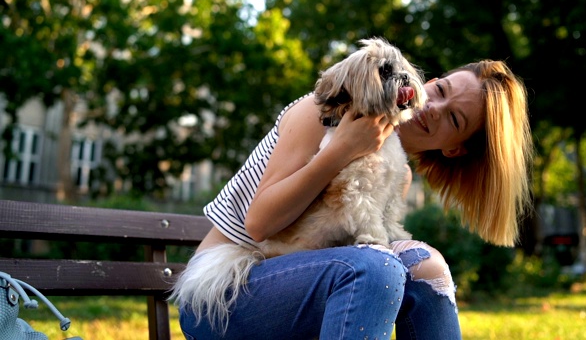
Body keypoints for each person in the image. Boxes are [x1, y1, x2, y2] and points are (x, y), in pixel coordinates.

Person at [172, 57, 533, 340]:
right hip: (222, 297)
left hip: (286, 298)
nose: (434, 107)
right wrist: (342, 150)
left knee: (427, 267)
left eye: (453, 118)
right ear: (433, 82)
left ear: (454, 149)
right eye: (441, 90)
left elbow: (341, 276)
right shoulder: (326, 112)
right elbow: (259, 223)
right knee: (379, 265)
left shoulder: (398, 174)